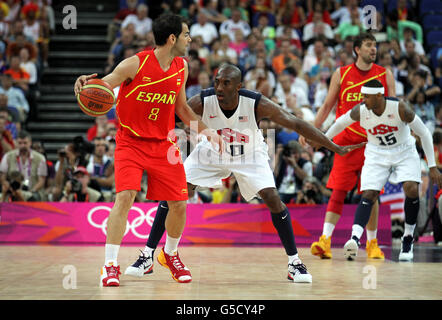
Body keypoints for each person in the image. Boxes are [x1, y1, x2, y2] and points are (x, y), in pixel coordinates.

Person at [124, 63, 365, 283]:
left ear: (239, 86)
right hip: (211, 150)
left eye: (226, 83)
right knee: (174, 194)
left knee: (273, 198)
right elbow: (168, 113)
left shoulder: (256, 103)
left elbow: (296, 123)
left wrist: (333, 146)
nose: (219, 86)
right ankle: (148, 256)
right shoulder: (203, 101)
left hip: (249, 154)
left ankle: (294, 263)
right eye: (217, 81)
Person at [74, 13, 223, 287]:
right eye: (187, 34)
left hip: (163, 144)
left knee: (179, 203)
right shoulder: (135, 63)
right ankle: (109, 265)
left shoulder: (182, 67)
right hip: (130, 142)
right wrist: (85, 83)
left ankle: (170, 254)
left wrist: (208, 132)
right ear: (172, 38)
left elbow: (181, 109)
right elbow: (104, 85)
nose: (190, 39)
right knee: (126, 197)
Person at [300, 33, 396, 260]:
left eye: (375, 46)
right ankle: (325, 241)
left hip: (373, 144)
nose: (373, 49)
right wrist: (312, 130)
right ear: (357, 50)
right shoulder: (341, 73)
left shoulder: (385, 74)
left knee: (371, 193)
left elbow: (394, 108)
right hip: (344, 143)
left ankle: (372, 243)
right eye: (368, 45)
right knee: (338, 191)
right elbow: (326, 106)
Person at [323, 79, 442, 261]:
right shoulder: (362, 110)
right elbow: (340, 123)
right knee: (369, 193)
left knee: (411, 188)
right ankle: (354, 238)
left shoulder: (401, 108)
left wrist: (432, 166)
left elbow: (424, 133)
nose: (363, 100)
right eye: (363, 96)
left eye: (367, 97)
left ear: (379, 96)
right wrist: (324, 139)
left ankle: (408, 237)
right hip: (377, 153)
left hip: (404, 150)